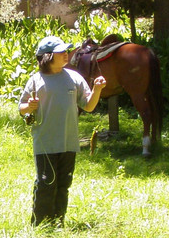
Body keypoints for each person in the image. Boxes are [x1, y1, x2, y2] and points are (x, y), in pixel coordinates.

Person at [18, 35, 107, 227]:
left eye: (66, 51)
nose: (67, 55)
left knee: (63, 185)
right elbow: (21, 108)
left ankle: (58, 222)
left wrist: (97, 89)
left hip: (69, 142)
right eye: (61, 52)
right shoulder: (35, 80)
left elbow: (89, 106)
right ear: (48, 56)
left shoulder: (74, 78)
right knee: (46, 183)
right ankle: (40, 224)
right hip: (45, 142)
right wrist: (30, 106)